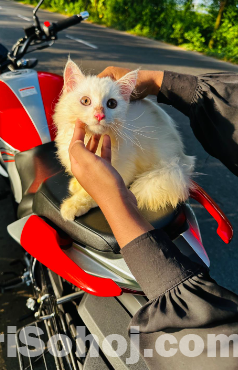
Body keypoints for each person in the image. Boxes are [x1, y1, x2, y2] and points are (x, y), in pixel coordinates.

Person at [68, 67, 238, 369]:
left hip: (155, 169)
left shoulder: (126, 132)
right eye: (84, 101)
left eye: (110, 104)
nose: (97, 112)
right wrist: (162, 81)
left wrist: (107, 197)